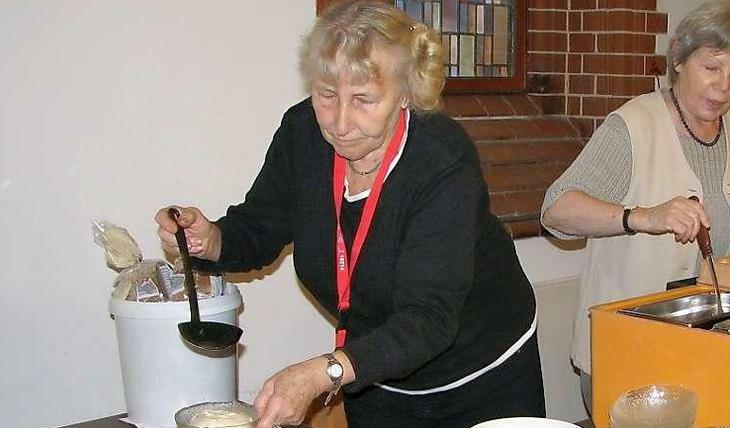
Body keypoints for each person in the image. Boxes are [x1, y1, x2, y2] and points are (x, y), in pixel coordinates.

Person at [155, 2, 544, 427]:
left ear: (405, 93)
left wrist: (322, 372)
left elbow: (428, 320)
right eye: (326, 95)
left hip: (479, 377)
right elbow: (260, 225)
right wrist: (211, 239)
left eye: (363, 100)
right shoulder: (302, 133)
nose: (340, 122)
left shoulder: (441, 160)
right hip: (374, 372)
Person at [540, 0, 730, 414]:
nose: (723, 87)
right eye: (711, 68)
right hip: (632, 353)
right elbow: (556, 211)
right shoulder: (633, 126)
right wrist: (643, 217)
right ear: (679, 58)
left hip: (711, 347)